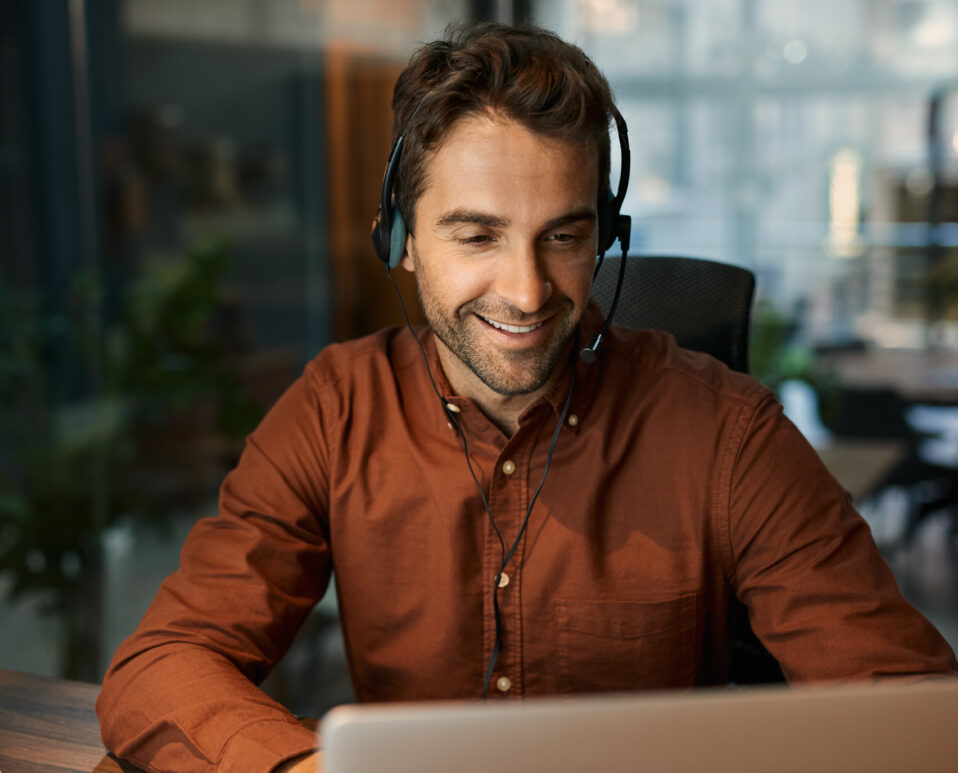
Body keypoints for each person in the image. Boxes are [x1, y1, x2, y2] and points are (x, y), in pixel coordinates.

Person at [96, 22, 957, 773]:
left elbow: (913, 709)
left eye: (565, 237)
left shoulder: (726, 433)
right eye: (477, 235)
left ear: (604, 239)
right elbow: (162, 662)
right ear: (400, 241)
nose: (527, 290)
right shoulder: (335, 410)